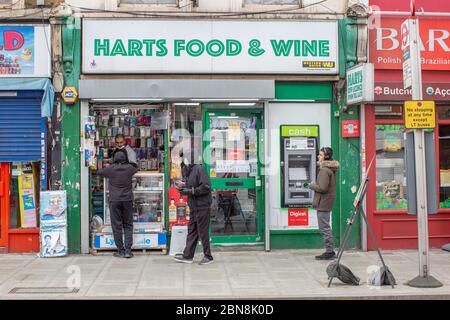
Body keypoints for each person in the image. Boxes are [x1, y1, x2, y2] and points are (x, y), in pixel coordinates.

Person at [174, 152, 214, 265]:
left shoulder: (199, 169)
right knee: (192, 231)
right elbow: (190, 184)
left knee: (203, 231)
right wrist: (182, 186)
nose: (183, 161)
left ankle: (208, 256)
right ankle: (188, 256)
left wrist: (190, 191)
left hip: (202, 206)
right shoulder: (187, 170)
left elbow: (206, 187)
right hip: (193, 206)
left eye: (184, 158)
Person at [97, 150, 138, 258]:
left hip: (114, 200)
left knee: (117, 226)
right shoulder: (130, 168)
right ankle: (128, 251)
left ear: (114, 158)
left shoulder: (110, 169)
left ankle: (120, 250)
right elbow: (136, 166)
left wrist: (108, 164)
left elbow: (99, 172)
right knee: (128, 225)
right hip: (127, 200)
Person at [307, 147, 339, 260]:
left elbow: (323, 188)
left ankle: (330, 252)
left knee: (324, 228)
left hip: (323, 202)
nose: (318, 156)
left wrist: (311, 185)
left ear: (325, 157)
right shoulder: (328, 169)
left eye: (320, 155)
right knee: (325, 227)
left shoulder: (324, 170)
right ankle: (330, 251)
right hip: (326, 201)